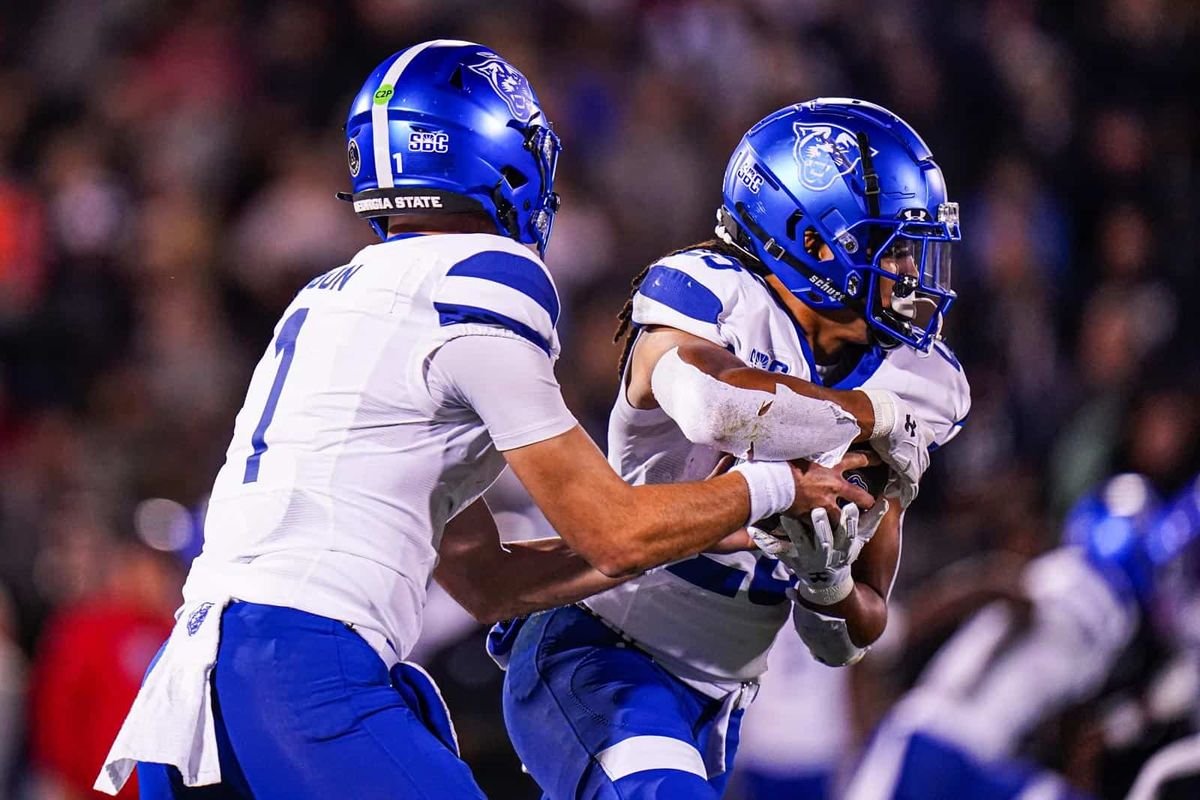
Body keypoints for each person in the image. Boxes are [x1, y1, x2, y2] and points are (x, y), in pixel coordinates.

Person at [95, 42, 872, 800]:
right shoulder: (486, 277)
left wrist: (709, 527)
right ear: (490, 150)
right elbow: (612, 529)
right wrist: (770, 485)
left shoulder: (338, 293)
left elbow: (485, 579)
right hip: (305, 664)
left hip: (199, 690)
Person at [496, 98, 970, 799]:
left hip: (718, 701)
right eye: (893, 245)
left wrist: (825, 579)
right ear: (813, 241)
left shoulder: (917, 382)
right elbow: (721, 408)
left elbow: (847, 635)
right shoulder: (708, 293)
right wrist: (867, 414)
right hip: (603, 650)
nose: (909, 270)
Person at [845, 473, 1200, 800]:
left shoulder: (1105, 625)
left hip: (984, 760)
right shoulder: (1068, 579)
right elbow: (1000, 588)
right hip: (937, 735)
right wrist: (899, 630)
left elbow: (1072, 725)